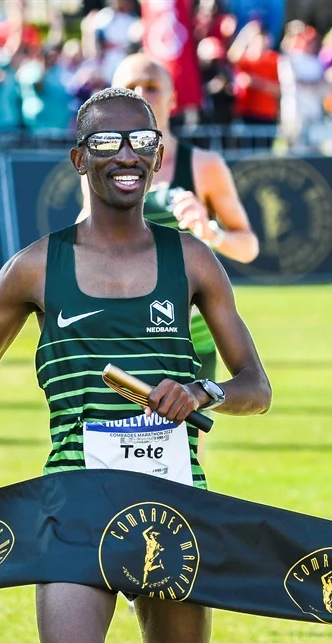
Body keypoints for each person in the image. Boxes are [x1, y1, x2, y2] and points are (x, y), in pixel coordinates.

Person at [0, 87, 272, 643]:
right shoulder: (33, 268)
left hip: (174, 501)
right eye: (107, 141)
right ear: (79, 159)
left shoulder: (194, 261)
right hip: (74, 504)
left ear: (159, 158)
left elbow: (255, 387)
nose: (126, 155)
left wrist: (203, 394)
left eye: (143, 142)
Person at [79, 53, 259, 411]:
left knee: (187, 447)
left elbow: (248, 246)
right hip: (122, 330)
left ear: (174, 98)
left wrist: (211, 233)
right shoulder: (99, 164)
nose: (142, 94)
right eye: (130, 88)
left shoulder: (203, 165)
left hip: (189, 335)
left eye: (152, 87)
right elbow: (84, 244)